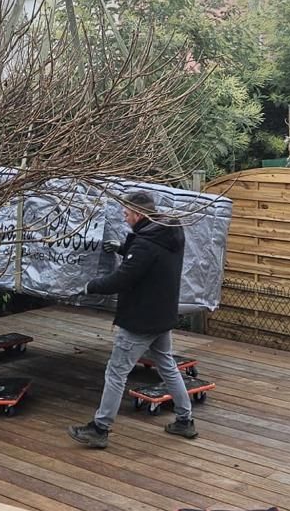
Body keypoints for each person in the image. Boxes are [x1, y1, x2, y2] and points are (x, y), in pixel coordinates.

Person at [69, 188, 197, 448]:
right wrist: (123, 247)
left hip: (140, 320)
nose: (124, 217)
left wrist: (90, 286)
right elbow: (148, 258)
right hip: (161, 315)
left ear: (139, 214)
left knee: (116, 372)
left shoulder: (145, 245)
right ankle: (185, 420)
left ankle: (100, 428)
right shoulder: (170, 232)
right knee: (167, 365)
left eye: (126, 213)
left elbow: (123, 278)